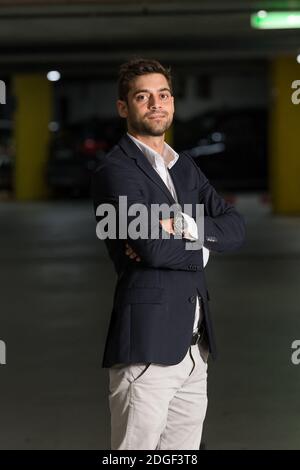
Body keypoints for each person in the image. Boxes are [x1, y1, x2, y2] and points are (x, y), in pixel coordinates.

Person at [91, 58, 245, 450]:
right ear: (125, 107)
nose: (155, 104)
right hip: (147, 349)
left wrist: (186, 227)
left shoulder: (185, 167)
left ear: (173, 103)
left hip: (195, 349)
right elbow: (151, 247)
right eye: (143, 97)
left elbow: (235, 227)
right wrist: (205, 249)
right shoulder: (117, 171)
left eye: (163, 95)